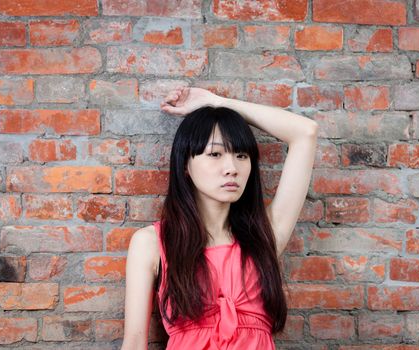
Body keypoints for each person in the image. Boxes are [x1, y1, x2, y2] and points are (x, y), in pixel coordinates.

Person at [121, 86, 318, 350]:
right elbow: (134, 343)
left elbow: (305, 133)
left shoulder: (265, 235)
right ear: (185, 166)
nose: (231, 169)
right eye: (215, 154)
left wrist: (218, 102)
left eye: (241, 155)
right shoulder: (151, 243)